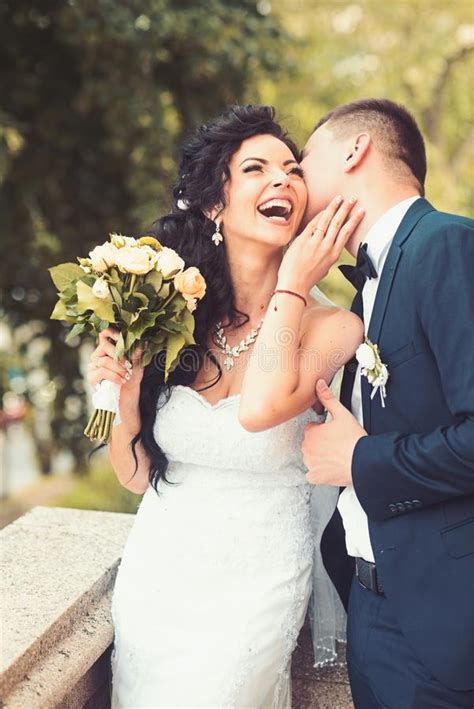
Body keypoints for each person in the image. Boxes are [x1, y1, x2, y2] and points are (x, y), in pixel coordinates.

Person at [86, 104, 364, 707]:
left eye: (292, 170)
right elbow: (137, 478)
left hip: (260, 579)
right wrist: (124, 389)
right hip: (158, 575)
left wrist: (291, 281)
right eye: (257, 168)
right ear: (215, 203)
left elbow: (258, 411)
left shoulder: (334, 326)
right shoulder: (172, 315)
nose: (283, 181)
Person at [300, 98, 474, 708]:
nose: (293, 180)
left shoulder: (448, 245)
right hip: (371, 607)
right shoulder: (366, 288)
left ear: (355, 150)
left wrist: (361, 461)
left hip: (443, 625)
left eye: (303, 161)